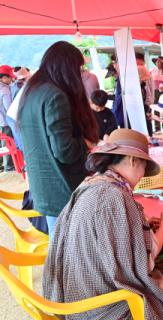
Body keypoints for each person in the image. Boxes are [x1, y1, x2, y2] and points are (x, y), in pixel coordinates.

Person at [43, 129, 163, 320]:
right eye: (144, 168)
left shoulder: (91, 184)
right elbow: (141, 267)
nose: (142, 177)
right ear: (132, 161)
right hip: (103, 307)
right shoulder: (115, 198)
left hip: (76, 297)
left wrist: (140, 228)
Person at [18, 41, 99, 235]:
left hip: (44, 185)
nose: (80, 74)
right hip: (61, 186)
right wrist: (85, 143)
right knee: (66, 249)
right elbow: (65, 151)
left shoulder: (32, 91)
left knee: (60, 245)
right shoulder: (56, 96)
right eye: (79, 69)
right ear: (67, 67)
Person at [0, 65, 17, 172]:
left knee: (2, 143)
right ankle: (9, 166)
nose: (12, 79)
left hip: (0, 121)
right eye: (10, 77)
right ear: (4, 78)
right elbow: (8, 108)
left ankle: (2, 164)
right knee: (8, 143)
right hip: (6, 121)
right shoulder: (4, 90)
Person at [138, 65, 154, 136]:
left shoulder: (142, 86)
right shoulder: (135, 88)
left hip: (145, 111)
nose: (145, 80)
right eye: (143, 78)